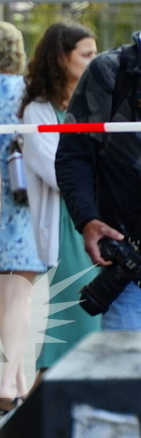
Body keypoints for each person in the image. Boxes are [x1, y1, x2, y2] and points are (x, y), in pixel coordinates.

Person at [0, 21, 46, 412]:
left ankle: (15, 380)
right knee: (20, 300)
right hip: (25, 203)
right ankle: (8, 383)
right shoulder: (27, 95)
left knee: (4, 301)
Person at [21, 21, 99, 373]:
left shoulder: (96, 102)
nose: (95, 61)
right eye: (87, 54)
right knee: (73, 326)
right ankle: (37, 418)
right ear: (61, 59)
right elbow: (57, 173)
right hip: (67, 228)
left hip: (100, 220)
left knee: (93, 331)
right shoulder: (38, 110)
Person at [56, 30, 141, 331]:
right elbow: (73, 154)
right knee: (124, 376)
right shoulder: (111, 70)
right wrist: (87, 219)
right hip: (131, 270)